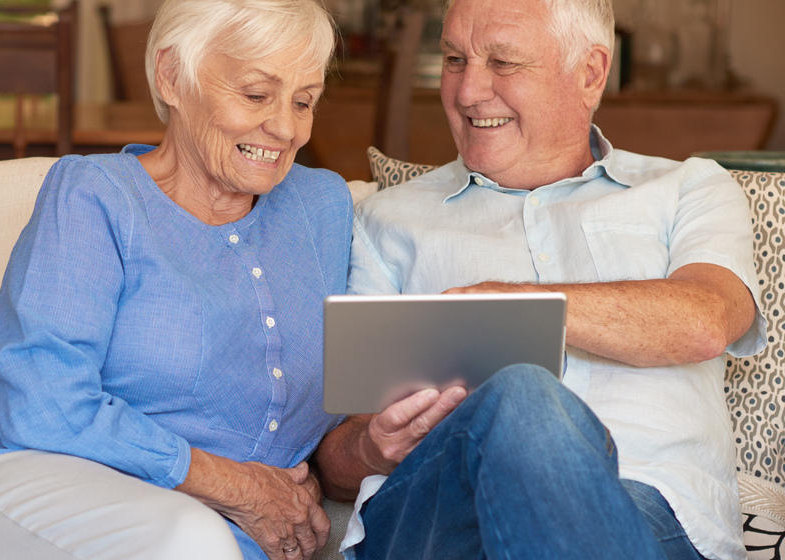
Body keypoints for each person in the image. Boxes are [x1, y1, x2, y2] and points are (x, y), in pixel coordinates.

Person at [311, 0, 766, 559]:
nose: (468, 90)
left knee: (522, 395)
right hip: (438, 516)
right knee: (520, 396)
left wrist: (510, 304)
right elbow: (333, 467)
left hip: (650, 519)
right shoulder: (386, 220)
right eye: (455, 59)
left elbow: (705, 319)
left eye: (503, 62)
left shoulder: (689, 190)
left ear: (591, 73)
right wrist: (371, 451)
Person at [0, 1, 352, 559]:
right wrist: (235, 485)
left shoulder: (323, 207)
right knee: (189, 539)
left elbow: (346, 394)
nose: (285, 127)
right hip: (29, 477)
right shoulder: (95, 196)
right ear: (172, 77)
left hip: (221, 529)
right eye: (257, 94)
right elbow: (43, 406)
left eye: (304, 101)